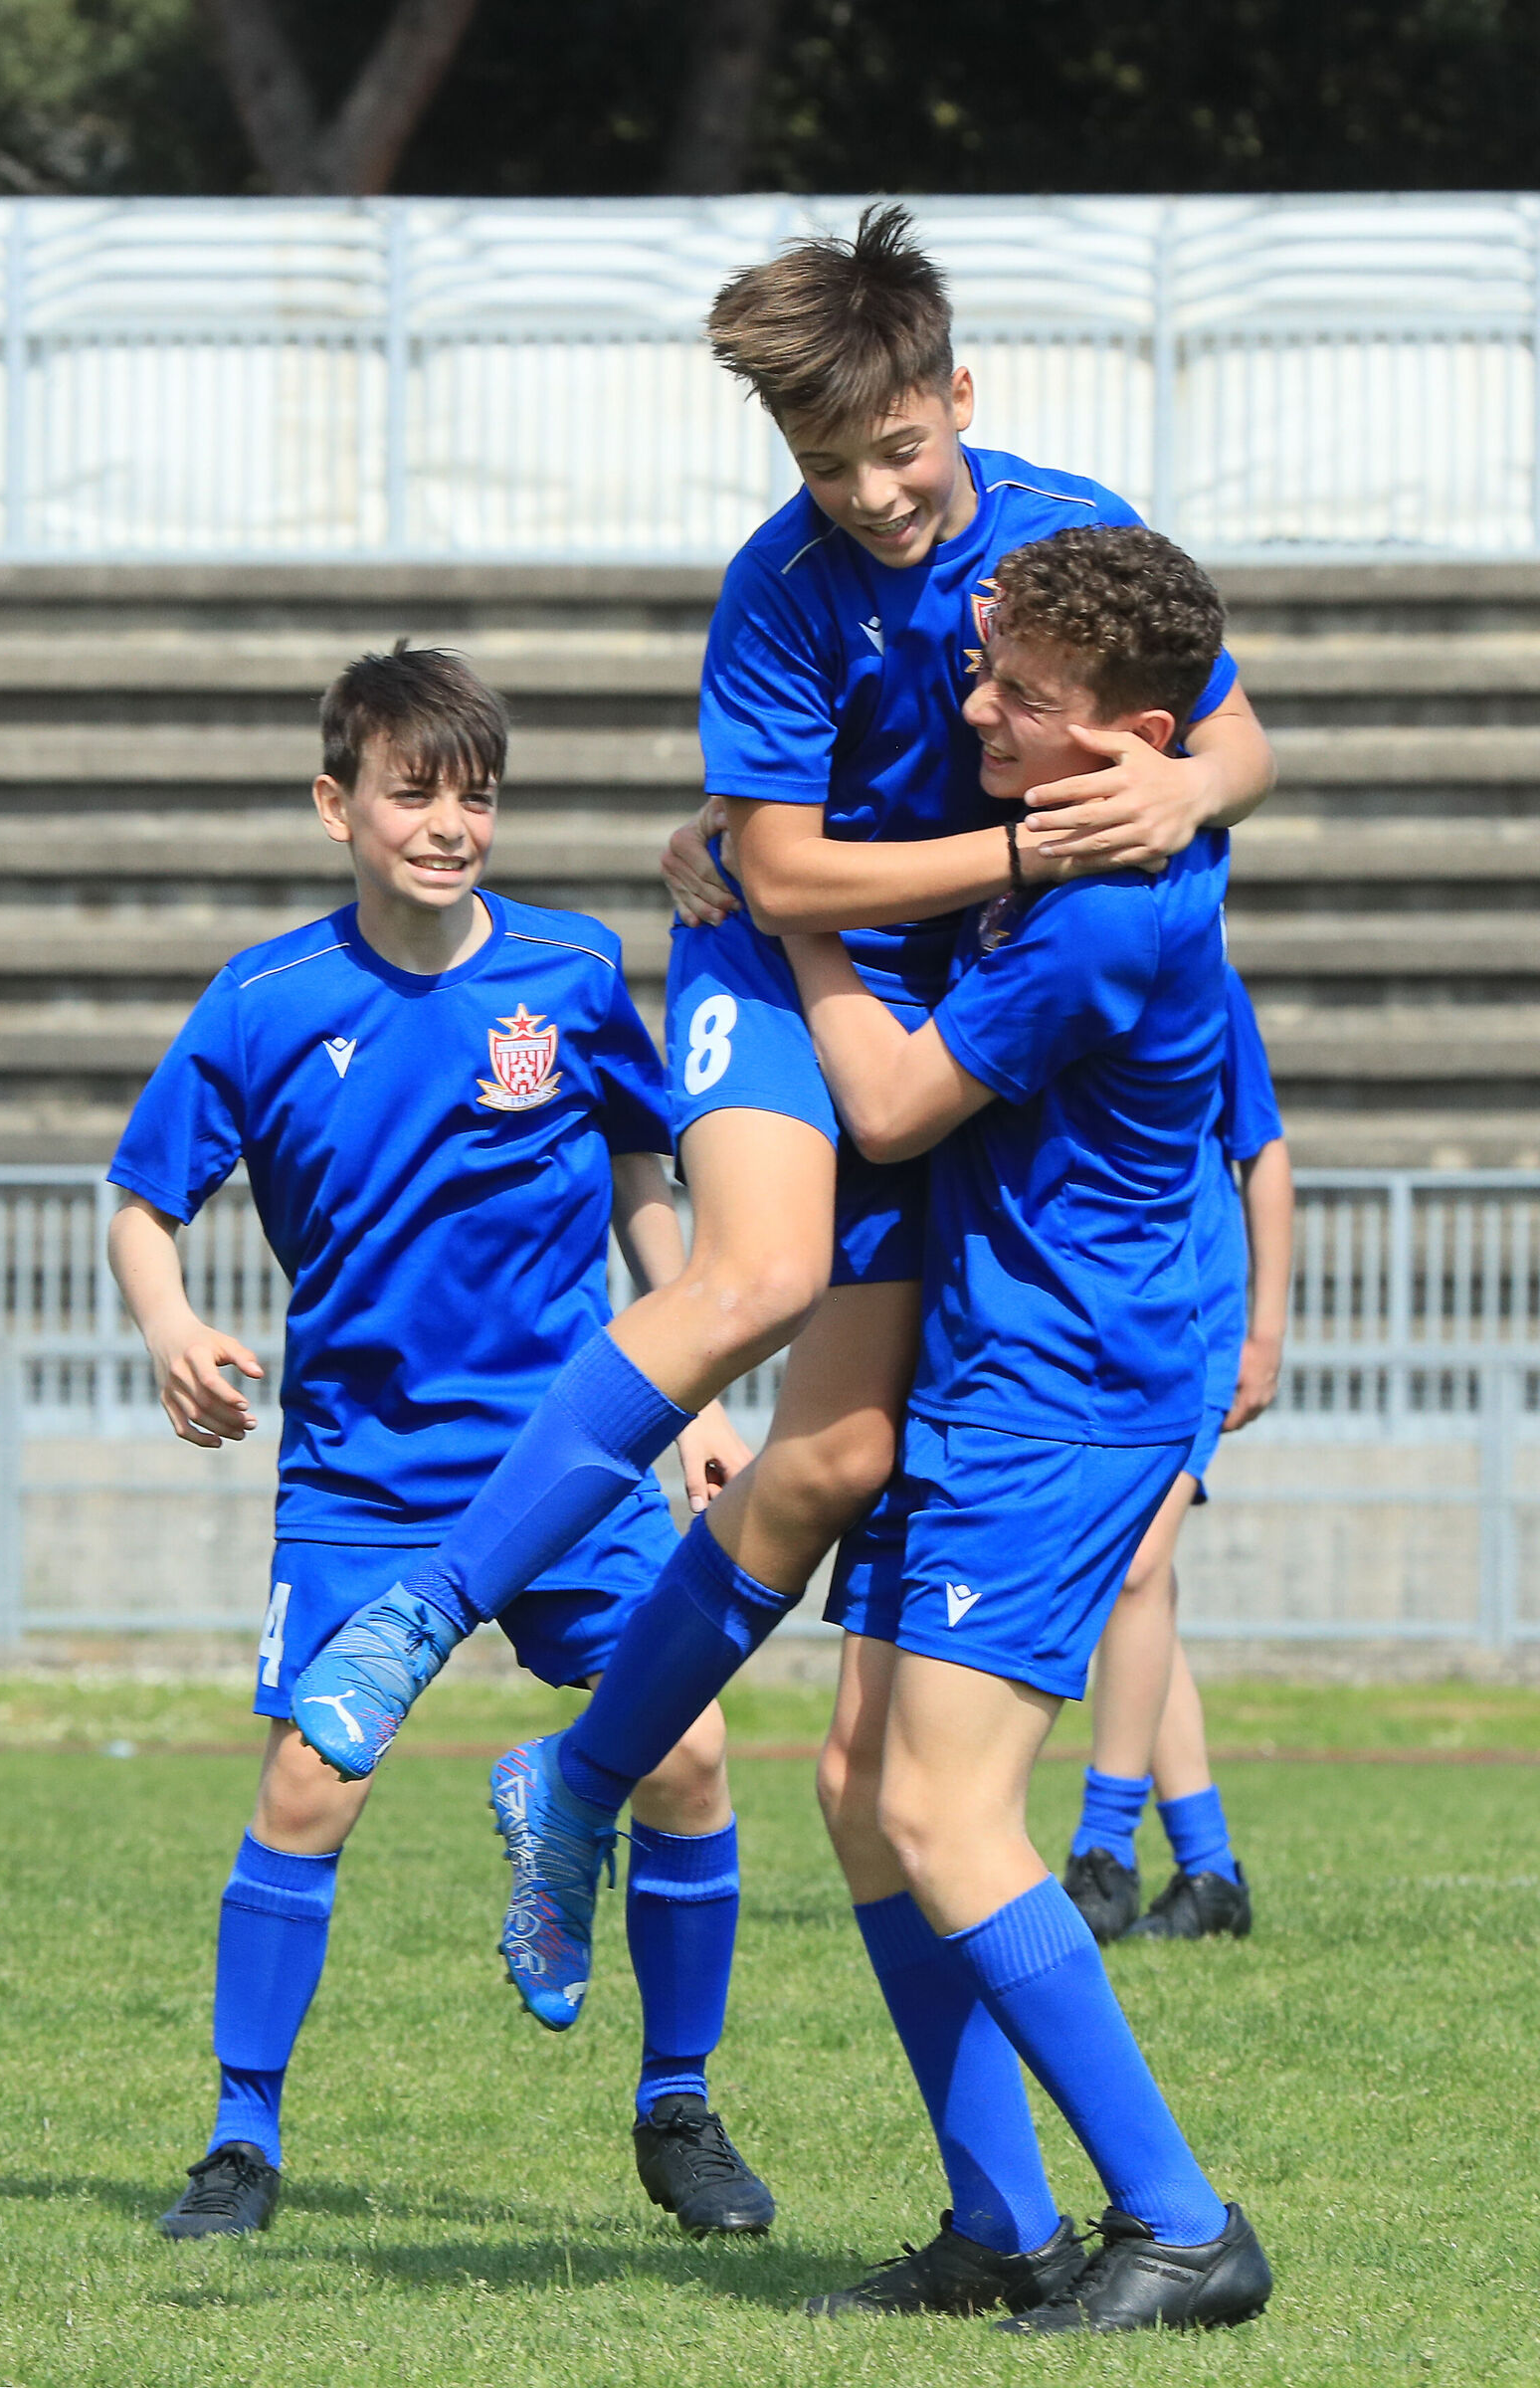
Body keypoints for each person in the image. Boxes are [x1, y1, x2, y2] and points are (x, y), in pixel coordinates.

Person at [289, 207, 1276, 1921]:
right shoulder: (779, 591)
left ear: (959, 394)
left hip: (934, 999)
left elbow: (1231, 722)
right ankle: (421, 1616)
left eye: (898, 450)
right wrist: (1028, 861)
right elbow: (788, 874)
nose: (876, 495)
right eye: (831, 466)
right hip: (784, 958)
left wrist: (1191, 789)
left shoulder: (1069, 539)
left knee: (828, 1463)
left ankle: (580, 1779)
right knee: (753, 1271)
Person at [484, 525, 1274, 2334]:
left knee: (940, 1805)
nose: (979, 709)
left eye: (1028, 699)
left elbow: (901, 1103)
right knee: (858, 1792)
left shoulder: (1110, 902)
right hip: (995, 1360)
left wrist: (784, 913)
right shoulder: (1086, 828)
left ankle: (1178, 2224)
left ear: (1139, 735)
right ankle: (999, 2223)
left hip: (1067, 1387)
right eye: (987, 673)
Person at [107, 644, 772, 2245]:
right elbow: (142, 1198)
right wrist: (173, 1324)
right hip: (363, 1473)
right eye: (416, 793)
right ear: (338, 805)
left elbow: (642, 1178)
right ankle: (241, 2140)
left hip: (577, 1460)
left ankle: (678, 2106)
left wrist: (699, 1387)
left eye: (477, 795)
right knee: (307, 1785)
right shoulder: (265, 1002)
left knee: (686, 1754)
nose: (451, 824)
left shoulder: (564, 967)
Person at [1064, 971, 1292, 1944]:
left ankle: (1101, 1855)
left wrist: (1268, 1333)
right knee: (1139, 1594)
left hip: (1193, 1317)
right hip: (1095, 1322)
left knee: (1132, 1568)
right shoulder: (1040, 961)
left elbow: (1262, 1151)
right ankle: (1209, 1873)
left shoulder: (1201, 975)